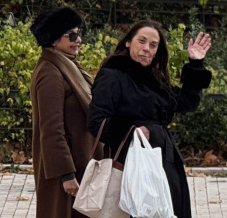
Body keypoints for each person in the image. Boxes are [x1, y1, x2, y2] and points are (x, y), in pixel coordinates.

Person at [87, 20, 212, 218]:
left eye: (153, 45)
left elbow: (187, 102)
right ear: (128, 42)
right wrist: (130, 132)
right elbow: (96, 121)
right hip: (132, 163)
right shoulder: (112, 75)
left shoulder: (155, 78)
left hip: (165, 161)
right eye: (142, 41)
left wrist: (196, 63)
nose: (146, 49)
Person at [29, 8, 101, 218]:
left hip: (79, 165)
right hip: (66, 173)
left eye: (78, 33)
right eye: (71, 35)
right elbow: (51, 129)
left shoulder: (67, 66)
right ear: (52, 39)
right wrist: (66, 174)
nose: (78, 39)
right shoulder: (50, 73)